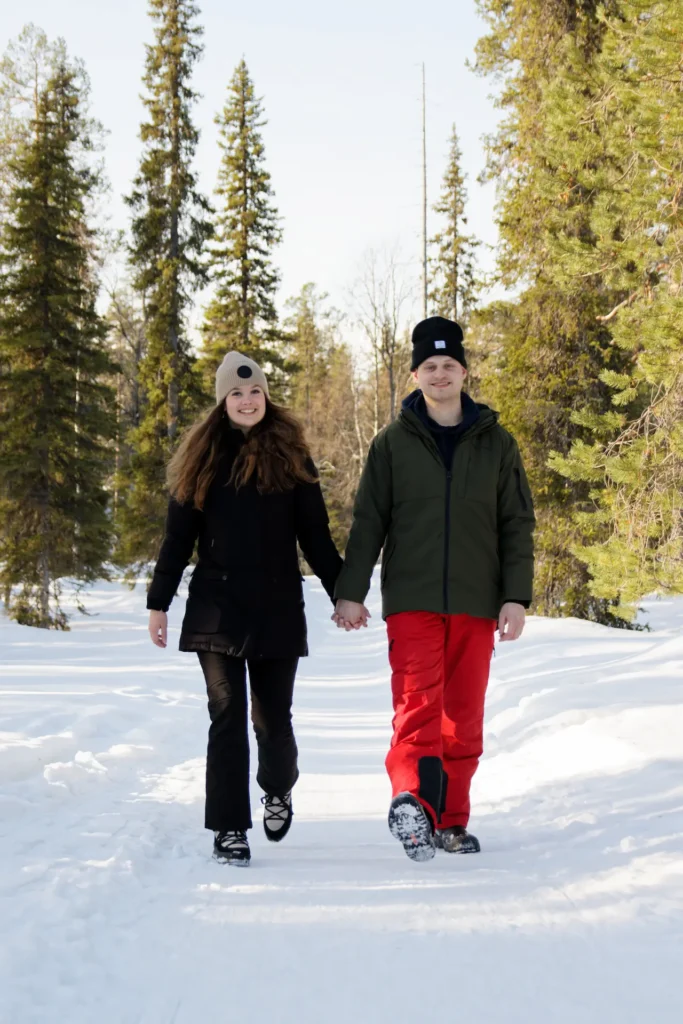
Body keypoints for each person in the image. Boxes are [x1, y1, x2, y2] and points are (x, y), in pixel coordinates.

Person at [333, 316, 535, 862]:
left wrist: (515, 594)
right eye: (429, 366)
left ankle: (450, 821)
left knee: (462, 716)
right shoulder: (392, 444)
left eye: (449, 366)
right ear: (416, 375)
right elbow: (369, 521)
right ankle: (412, 802)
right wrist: (350, 592)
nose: (440, 374)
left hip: (476, 599)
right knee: (418, 706)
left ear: (463, 372)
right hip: (413, 599)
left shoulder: (497, 443)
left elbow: (516, 522)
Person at [147, 352, 343, 866]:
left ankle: (277, 788)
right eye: (236, 393)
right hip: (218, 607)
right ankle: (230, 828)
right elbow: (176, 539)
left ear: (265, 396)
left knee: (272, 719)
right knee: (227, 714)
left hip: (277, 604)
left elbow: (316, 537)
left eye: (254, 391)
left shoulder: (294, 458)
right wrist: (158, 603)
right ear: (222, 401)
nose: (247, 400)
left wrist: (344, 591)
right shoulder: (201, 459)